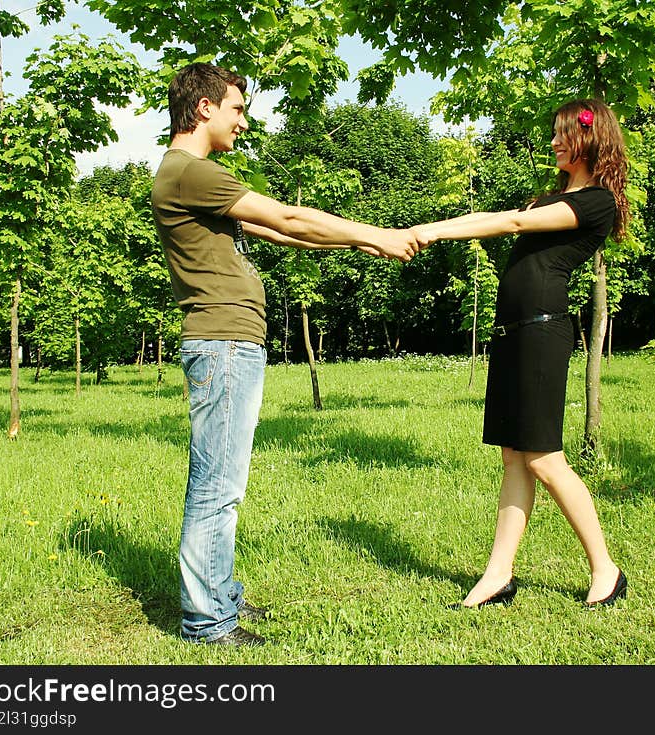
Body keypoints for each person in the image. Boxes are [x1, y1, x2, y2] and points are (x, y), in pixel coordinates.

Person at [151, 62, 419, 647]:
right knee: (217, 485)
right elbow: (290, 215)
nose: (243, 122)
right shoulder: (189, 172)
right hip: (221, 341)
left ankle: (218, 594)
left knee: (226, 481)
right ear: (203, 108)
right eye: (237, 109)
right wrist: (376, 233)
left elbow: (287, 232)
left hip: (232, 341)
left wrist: (362, 244)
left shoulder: (199, 178)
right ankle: (207, 621)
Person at [412, 99, 629, 609]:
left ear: (589, 139)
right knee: (515, 457)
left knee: (545, 459)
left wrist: (434, 230)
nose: (554, 143)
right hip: (514, 334)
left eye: (562, 135)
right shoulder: (550, 198)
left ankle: (606, 569)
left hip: (541, 335)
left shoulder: (597, 201)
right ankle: (498, 575)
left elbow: (508, 224)